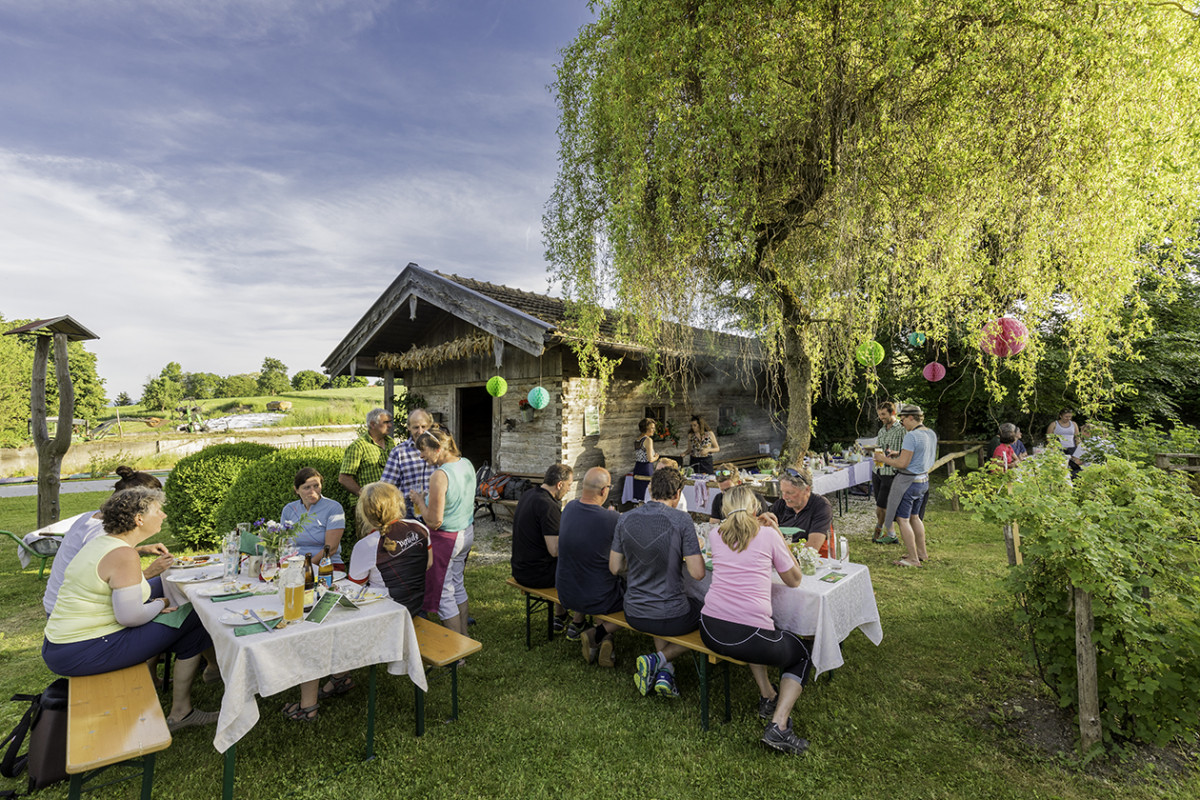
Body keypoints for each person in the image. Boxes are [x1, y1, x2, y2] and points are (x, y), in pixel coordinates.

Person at [42, 487, 219, 732]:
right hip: (84, 650)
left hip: (64, 644)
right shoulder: (123, 554)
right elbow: (131, 616)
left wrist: (157, 605)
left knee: (180, 608)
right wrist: (161, 604)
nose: (164, 516)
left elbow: (126, 596)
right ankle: (183, 709)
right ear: (139, 519)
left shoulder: (105, 543)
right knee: (195, 615)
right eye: (158, 511)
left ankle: (191, 691)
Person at [283, 483, 431, 723]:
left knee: (313, 623)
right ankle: (340, 677)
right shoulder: (419, 527)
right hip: (411, 606)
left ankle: (308, 705)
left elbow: (355, 588)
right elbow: (428, 564)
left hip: (386, 616)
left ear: (365, 512)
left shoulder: (367, 546)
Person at [699, 485, 812, 755]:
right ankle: (779, 725)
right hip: (746, 635)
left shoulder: (715, 534)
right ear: (756, 508)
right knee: (802, 654)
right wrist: (777, 535)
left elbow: (737, 538)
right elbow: (795, 580)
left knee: (757, 633)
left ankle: (767, 695)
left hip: (710, 628)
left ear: (724, 510)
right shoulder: (768, 536)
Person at [609, 466, 705, 698]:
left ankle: (665, 672)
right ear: (678, 493)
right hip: (669, 614)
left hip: (633, 611)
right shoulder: (681, 520)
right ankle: (659, 659)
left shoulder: (626, 519)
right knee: (710, 619)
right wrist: (691, 550)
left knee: (659, 602)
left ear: (651, 489)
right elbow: (698, 573)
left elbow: (615, 568)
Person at [43, 466, 173, 617]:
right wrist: (150, 574)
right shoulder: (101, 532)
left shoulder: (93, 517)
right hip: (72, 612)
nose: (162, 513)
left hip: (59, 603)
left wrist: (141, 549)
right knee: (168, 586)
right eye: (155, 507)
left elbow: (98, 559)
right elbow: (98, 582)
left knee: (168, 584)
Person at [408, 428, 475, 636]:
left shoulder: (440, 475)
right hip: (466, 532)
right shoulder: (466, 463)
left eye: (424, 450)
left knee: (444, 594)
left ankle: (457, 652)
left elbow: (435, 521)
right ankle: (465, 640)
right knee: (457, 584)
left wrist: (419, 500)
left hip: (446, 540)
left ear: (437, 448)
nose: (421, 455)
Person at [558, 468, 624, 656]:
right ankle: (601, 635)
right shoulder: (612, 518)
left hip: (567, 594)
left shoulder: (569, 508)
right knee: (637, 600)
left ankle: (588, 629)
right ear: (604, 491)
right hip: (598, 598)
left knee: (594, 570)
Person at [510, 463, 574, 630]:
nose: (568, 490)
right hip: (536, 574)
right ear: (559, 484)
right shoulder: (548, 505)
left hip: (519, 568)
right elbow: (555, 550)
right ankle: (579, 622)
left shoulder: (529, 494)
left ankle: (560, 616)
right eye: (568, 485)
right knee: (582, 566)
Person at [877, 404, 938, 567]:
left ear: (911, 417)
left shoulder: (911, 436)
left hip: (908, 482)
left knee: (902, 520)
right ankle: (922, 553)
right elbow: (922, 455)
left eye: (903, 419)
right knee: (915, 517)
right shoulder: (930, 433)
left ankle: (912, 558)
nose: (902, 423)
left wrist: (884, 459)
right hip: (923, 481)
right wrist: (899, 453)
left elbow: (903, 464)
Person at [761, 466, 831, 557]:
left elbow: (812, 548)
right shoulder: (780, 505)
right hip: (783, 559)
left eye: (790, 493)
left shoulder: (821, 506)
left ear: (806, 490)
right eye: (782, 492)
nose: (784, 497)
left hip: (812, 562)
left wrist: (776, 547)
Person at [280, 467, 346, 562]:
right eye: (307, 487)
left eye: (316, 486)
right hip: (295, 564)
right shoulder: (289, 509)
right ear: (296, 490)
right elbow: (284, 544)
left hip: (327, 564)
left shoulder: (333, 508)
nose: (313, 491)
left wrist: (307, 566)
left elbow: (331, 548)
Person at [380, 408, 435, 513]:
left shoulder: (438, 450)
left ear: (430, 426)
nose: (420, 431)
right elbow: (386, 486)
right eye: (415, 427)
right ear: (409, 427)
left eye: (424, 427)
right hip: (408, 510)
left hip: (434, 508)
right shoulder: (399, 452)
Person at [339, 407, 396, 497]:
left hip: (388, 500)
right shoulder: (358, 446)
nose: (390, 425)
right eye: (385, 422)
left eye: (390, 422)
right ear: (373, 424)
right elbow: (344, 478)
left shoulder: (390, 442)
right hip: (366, 505)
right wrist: (364, 495)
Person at [872, 402, 906, 544]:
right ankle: (888, 532)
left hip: (890, 471)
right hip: (877, 469)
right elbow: (878, 448)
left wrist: (894, 453)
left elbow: (907, 451)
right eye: (879, 415)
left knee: (883, 505)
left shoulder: (902, 430)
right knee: (880, 505)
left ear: (893, 413)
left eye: (883, 414)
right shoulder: (882, 430)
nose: (881, 417)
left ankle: (885, 532)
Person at [631, 417, 660, 501]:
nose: (654, 430)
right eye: (652, 428)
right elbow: (650, 459)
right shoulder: (648, 440)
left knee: (640, 497)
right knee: (647, 495)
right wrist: (656, 457)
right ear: (646, 428)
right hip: (646, 468)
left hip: (638, 467)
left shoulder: (637, 440)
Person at [1047, 408, 1080, 474]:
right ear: (1060, 416)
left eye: (1070, 417)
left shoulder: (1074, 424)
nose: (1068, 418)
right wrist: (1052, 448)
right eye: (1066, 417)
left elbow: (1077, 437)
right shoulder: (1054, 424)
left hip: (1072, 448)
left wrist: (1079, 448)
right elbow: (1049, 438)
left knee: (1073, 466)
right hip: (1059, 449)